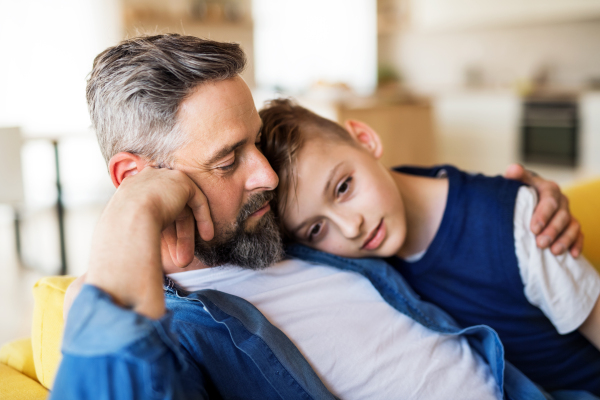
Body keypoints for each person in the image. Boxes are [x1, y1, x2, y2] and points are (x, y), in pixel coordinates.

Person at [53, 34, 590, 400]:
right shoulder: (175, 332)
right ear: (134, 177)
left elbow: (375, 188)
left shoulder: (283, 229)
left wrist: (512, 201)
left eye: (256, 143)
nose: (266, 174)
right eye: (228, 159)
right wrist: (132, 217)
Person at [258, 98, 600, 395]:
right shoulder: (350, 261)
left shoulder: (517, 219)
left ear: (366, 139)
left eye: (344, 187)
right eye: (317, 228)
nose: (351, 227)